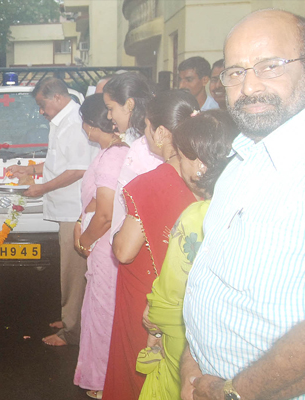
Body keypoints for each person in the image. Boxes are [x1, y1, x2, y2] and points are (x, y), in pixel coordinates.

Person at [182, 10, 305, 400]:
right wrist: (192, 362)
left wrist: (233, 392)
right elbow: (215, 279)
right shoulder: (240, 160)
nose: (249, 86)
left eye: (270, 66)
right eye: (235, 72)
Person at [102, 90, 199, 400]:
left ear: (160, 133)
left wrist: (118, 230)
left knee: (140, 371)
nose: (143, 135)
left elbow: (124, 251)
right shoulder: (205, 175)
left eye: (145, 127)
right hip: (189, 292)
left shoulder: (149, 184)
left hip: (146, 296)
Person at [137, 110, 238, 400]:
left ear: (201, 165)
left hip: (187, 339)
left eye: (180, 157)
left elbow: (174, 287)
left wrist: (154, 325)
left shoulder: (197, 217)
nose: (177, 166)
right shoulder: (245, 209)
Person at [8, 77, 98, 347]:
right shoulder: (62, 121)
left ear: (57, 98)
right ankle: (70, 316)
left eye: (42, 104)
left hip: (74, 209)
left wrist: (42, 187)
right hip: (66, 207)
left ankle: (71, 331)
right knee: (72, 271)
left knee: (73, 272)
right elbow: (61, 162)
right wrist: (32, 170)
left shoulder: (73, 124)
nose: (41, 111)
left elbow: (78, 169)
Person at [72, 95, 129, 395]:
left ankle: (105, 383)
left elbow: (106, 214)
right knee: (98, 311)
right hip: (102, 243)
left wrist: (84, 238)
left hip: (105, 245)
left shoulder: (112, 156)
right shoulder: (112, 152)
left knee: (103, 314)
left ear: (91, 125)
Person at [103, 73, 161, 243]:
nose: (108, 116)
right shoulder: (144, 139)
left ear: (129, 104)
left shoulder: (142, 146)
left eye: (110, 108)